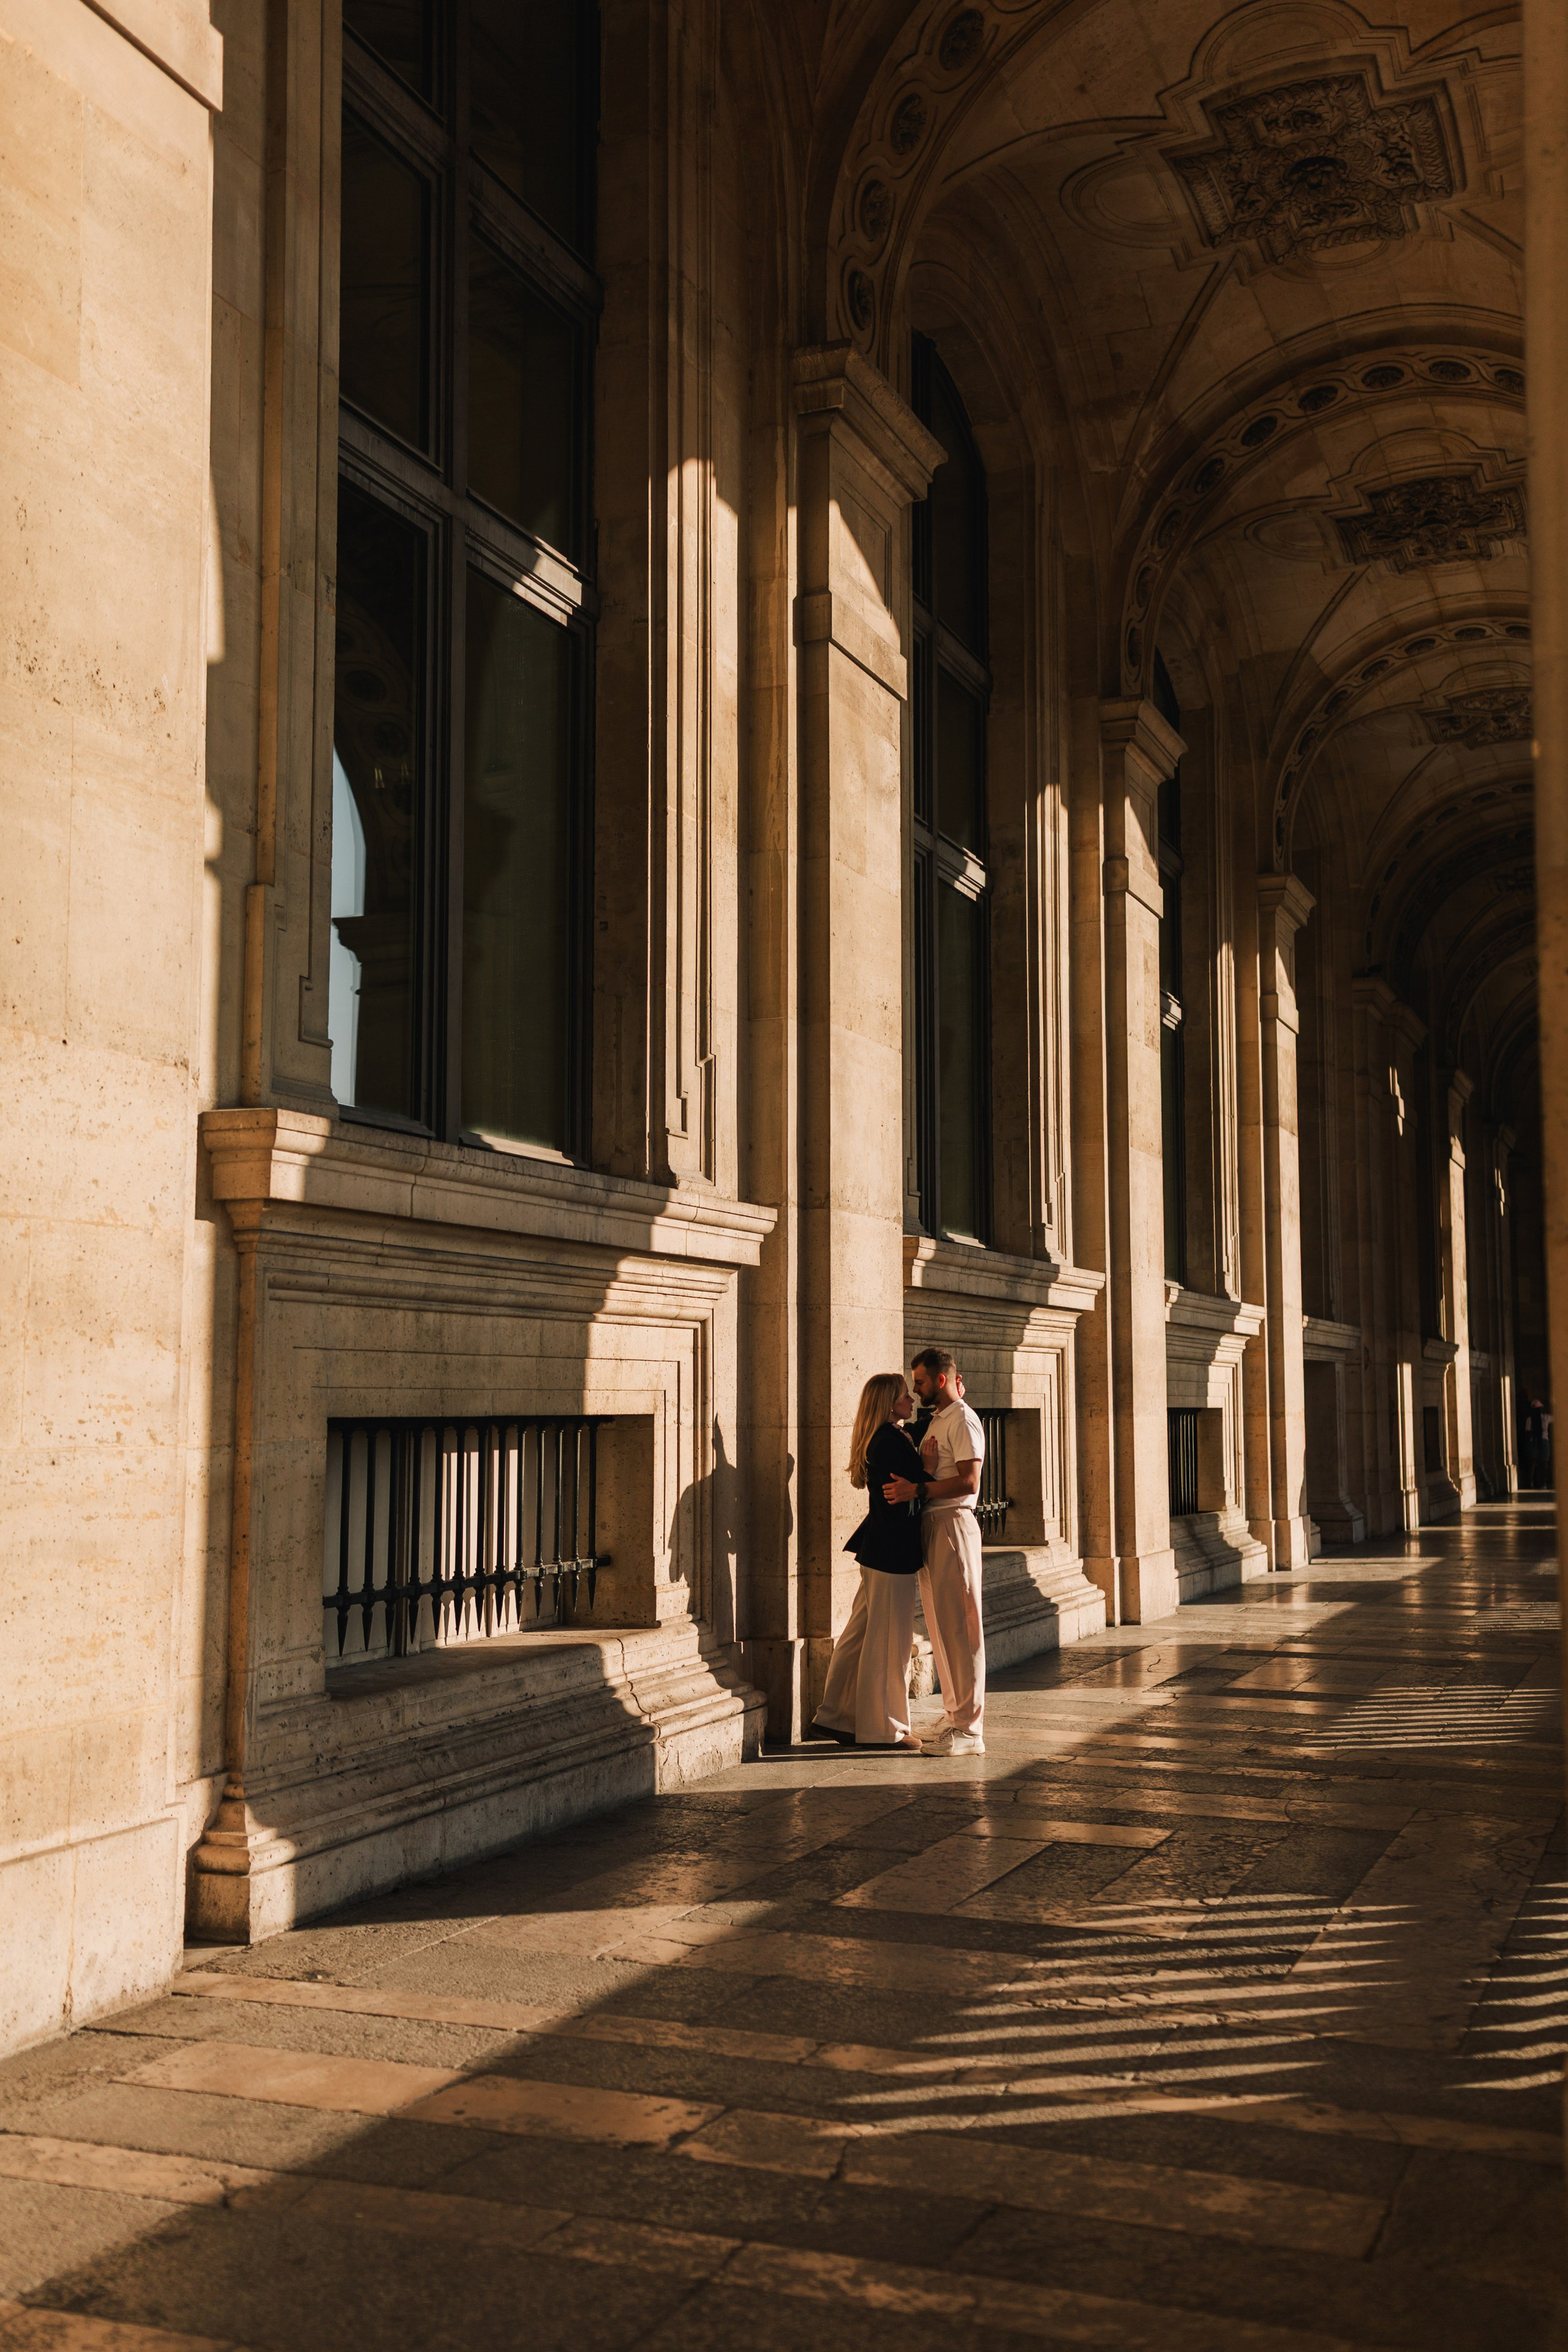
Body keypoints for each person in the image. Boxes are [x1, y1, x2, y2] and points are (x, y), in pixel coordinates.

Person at [809, 1373, 927, 1752]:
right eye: (904, 1395)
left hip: (880, 1550)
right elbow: (910, 1490)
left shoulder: (886, 1436)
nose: (911, 1400)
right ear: (889, 1403)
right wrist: (929, 1473)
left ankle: (836, 1717)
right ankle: (884, 1729)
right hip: (891, 1552)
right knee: (890, 1643)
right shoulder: (889, 1440)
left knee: (860, 1634)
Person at [885, 1347, 986, 1757]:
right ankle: (955, 1715)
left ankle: (970, 1731)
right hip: (934, 1526)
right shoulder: (940, 1420)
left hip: (952, 1525)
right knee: (942, 1629)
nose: (915, 1389)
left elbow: (970, 1481)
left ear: (940, 1380)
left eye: (920, 1381)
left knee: (961, 1629)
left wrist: (917, 1489)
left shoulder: (961, 1419)